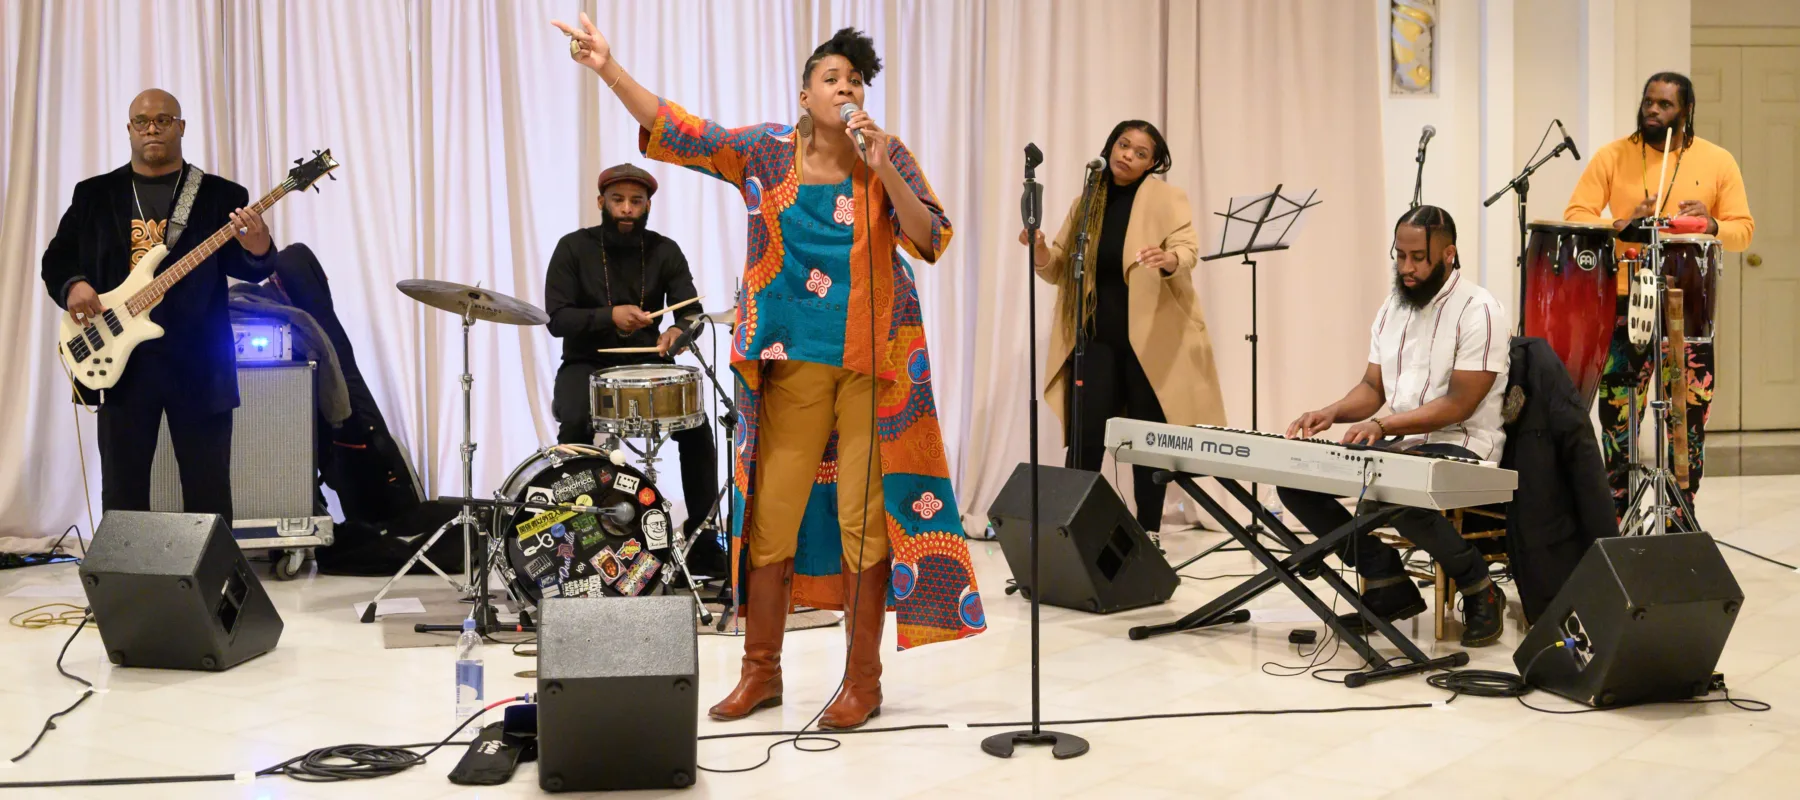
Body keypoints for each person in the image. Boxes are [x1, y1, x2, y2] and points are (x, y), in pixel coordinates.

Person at [554, 16, 985, 730]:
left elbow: (930, 236)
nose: (845, 89)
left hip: (871, 363)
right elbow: (681, 130)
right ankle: (763, 673)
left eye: (856, 82)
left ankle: (863, 682)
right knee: (772, 513)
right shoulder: (763, 152)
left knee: (861, 522)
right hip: (788, 363)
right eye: (832, 79)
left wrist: (883, 170)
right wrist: (608, 68)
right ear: (805, 92)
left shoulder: (886, 154)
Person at [41, 89, 276, 524]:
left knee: (208, 492)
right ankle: (128, 589)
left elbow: (251, 267)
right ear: (128, 129)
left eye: (163, 120)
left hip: (199, 362)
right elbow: (57, 258)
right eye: (142, 121)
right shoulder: (95, 194)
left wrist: (259, 245)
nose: (152, 128)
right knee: (123, 491)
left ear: (181, 127)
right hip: (119, 360)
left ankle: (210, 589)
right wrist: (74, 286)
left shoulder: (220, 195)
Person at [1280, 206, 1510, 648]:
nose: (1406, 267)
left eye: (1418, 257)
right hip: (1402, 444)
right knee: (1295, 480)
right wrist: (1329, 413)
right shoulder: (1392, 309)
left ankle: (1481, 586)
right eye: (1399, 255)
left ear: (1448, 255)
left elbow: (1461, 404)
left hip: (1464, 444)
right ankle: (1386, 583)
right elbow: (1372, 385)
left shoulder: (1480, 310)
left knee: (1399, 489)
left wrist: (1383, 426)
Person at [1564, 71, 1755, 524]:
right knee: (1617, 415)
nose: (1652, 110)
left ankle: (1678, 519)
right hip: (1625, 303)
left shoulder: (1717, 160)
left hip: (1687, 310)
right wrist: (1626, 221)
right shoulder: (1613, 156)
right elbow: (1577, 216)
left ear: (1685, 112)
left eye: (1664, 105)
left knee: (1687, 418)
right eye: (1648, 102)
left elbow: (1742, 231)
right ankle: (1616, 516)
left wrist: (1709, 224)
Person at [1022, 121, 1226, 542]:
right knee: (1085, 437)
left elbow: (1188, 250)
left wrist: (1168, 258)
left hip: (1149, 342)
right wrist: (1040, 250)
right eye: (1123, 145)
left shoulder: (1168, 199)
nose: (1127, 155)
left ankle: (1149, 531)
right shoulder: (1087, 200)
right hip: (1094, 339)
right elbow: (1060, 267)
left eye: (1140, 152)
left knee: (1147, 440)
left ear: (1154, 163)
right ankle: (1071, 532)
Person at [544, 163, 720, 549]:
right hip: (586, 361)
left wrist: (679, 332)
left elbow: (690, 313)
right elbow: (557, 319)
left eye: (636, 202)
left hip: (647, 362)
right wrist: (609, 316)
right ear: (601, 202)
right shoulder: (573, 247)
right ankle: (572, 537)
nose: (626, 209)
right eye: (618, 200)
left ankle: (702, 540)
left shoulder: (664, 250)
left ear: (648, 207)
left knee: (697, 429)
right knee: (574, 422)